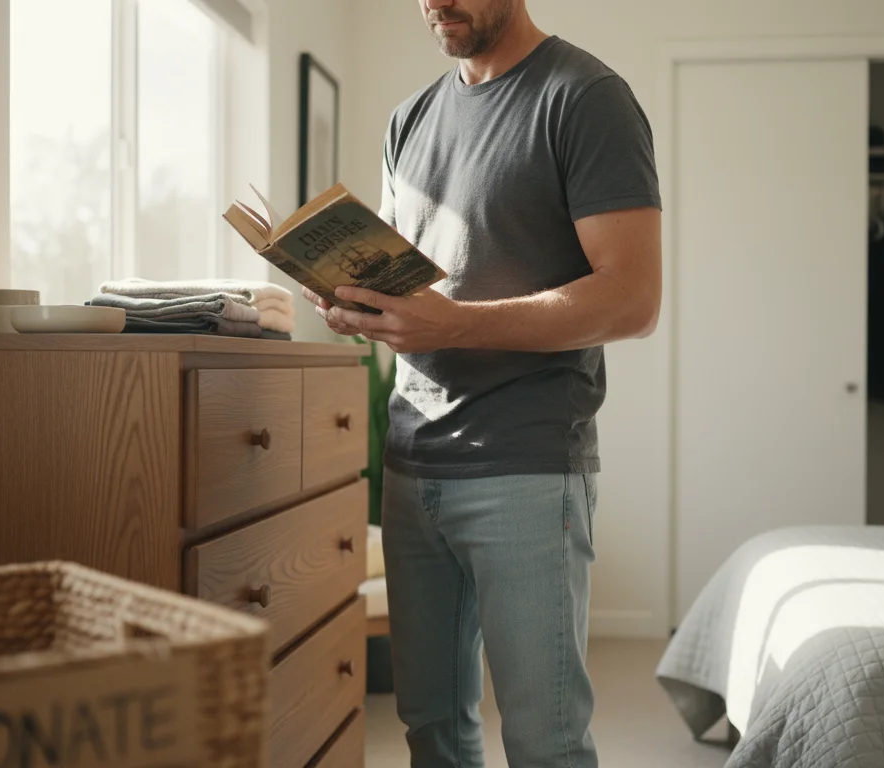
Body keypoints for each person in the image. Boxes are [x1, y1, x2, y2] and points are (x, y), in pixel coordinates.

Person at [303, 0, 661, 765]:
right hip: (412, 462)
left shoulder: (585, 97)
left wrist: (455, 325)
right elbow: (417, 292)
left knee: (544, 742)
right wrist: (359, 306)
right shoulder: (409, 119)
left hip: (525, 467)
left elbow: (634, 300)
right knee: (431, 729)